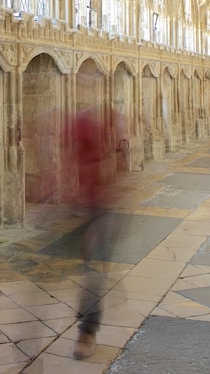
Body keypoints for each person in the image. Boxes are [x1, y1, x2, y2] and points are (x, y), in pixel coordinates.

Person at [64, 103, 123, 360]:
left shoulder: (109, 118)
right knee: (90, 268)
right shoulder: (74, 117)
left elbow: (118, 162)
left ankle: (87, 331)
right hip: (76, 204)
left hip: (102, 206)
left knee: (94, 268)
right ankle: (86, 325)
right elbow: (66, 158)